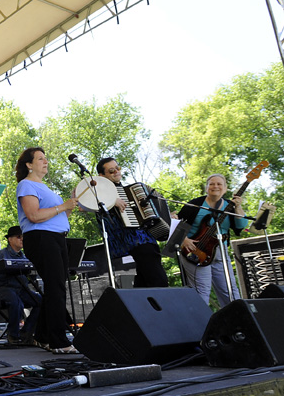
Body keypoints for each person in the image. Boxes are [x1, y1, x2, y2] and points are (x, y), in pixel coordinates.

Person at [15, 147, 79, 354]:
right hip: (41, 238)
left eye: (46, 158)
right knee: (55, 287)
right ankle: (58, 341)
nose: (46, 161)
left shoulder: (46, 188)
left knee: (57, 287)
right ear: (29, 164)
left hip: (56, 238)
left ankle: (42, 336)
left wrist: (68, 207)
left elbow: (57, 216)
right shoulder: (26, 185)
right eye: (40, 159)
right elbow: (34, 215)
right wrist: (62, 207)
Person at [177, 174, 250, 307]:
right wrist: (184, 240)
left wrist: (238, 207)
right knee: (202, 291)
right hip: (195, 251)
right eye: (211, 184)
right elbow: (176, 224)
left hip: (220, 252)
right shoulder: (195, 205)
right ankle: (201, 324)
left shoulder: (230, 206)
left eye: (219, 184)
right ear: (206, 188)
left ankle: (238, 322)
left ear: (225, 188)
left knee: (230, 291)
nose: (215, 186)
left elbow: (241, 226)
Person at [94, 158, 169, 288]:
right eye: (111, 171)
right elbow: (87, 202)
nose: (116, 172)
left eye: (118, 168)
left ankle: (140, 306)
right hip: (130, 240)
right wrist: (111, 201)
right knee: (158, 280)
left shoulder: (125, 190)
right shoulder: (98, 191)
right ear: (102, 175)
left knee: (145, 280)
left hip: (144, 239)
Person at [0, 226, 41, 343]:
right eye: (18, 237)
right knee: (16, 302)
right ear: (9, 239)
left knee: (41, 301)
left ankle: (26, 332)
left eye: (23, 237)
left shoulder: (25, 257)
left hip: (21, 290)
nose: (22, 239)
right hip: (3, 288)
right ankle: (13, 334)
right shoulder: (0, 255)